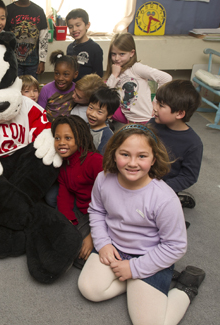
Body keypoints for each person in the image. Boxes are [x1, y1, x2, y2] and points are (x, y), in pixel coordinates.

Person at [78, 124, 205, 325]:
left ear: (154, 158)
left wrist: (135, 268)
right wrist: (103, 243)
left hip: (150, 255)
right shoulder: (103, 179)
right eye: (125, 154)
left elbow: (175, 246)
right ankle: (133, 283)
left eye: (142, 156)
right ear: (113, 155)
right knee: (89, 290)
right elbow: (97, 211)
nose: (133, 163)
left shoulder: (164, 198)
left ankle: (185, 288)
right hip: (115, 247)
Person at [52, 115, 103, 269]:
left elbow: (110, 203)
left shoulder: (95, 161)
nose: (61, 142)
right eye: (57, 138)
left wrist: (93, 236)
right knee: (60, 237)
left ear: (80, 139)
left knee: (84, 255)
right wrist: (68, 222)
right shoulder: (63, 164)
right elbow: (64, 196)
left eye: (68, 138)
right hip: (82, 213)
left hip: (102, 216)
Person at [149, 79, 203, 209]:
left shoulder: (193, 143)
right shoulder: (152, 124)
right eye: (156, 102)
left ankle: (176, 200)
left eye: (161, 105)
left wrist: (161, 188)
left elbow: (189, 176)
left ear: (179, 113)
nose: (154, 107)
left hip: (163, 186)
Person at [104, 33, 172, 123]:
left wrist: (156, 103)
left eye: (121, 54)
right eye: (113, 54)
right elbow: (105, 95)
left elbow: (166, 78)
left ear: (132, 53)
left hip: (145, 118)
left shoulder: (136, 68)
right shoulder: (116, 70)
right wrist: (114, 75)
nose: (116, 58)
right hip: (129, 118)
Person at [5, 0, 48, 78]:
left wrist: (42, 61)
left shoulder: (38, 11)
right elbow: (3, 36)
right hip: (13, 61)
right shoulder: (8, 10)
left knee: (31, 89)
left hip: (33, 62)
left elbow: (43, 37)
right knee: (15, 89)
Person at [37, 50, 78, 122]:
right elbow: (39, 114)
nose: (60, 78)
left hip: (69, 127)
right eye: (57, 73)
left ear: (75, 74)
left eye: (66, 74)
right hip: (48, 128)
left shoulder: (76, 90)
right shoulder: (46, 89)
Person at [66, 8, 104, 81]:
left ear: (87, 25)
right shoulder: (70, 47)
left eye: (78, 25)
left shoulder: (95, 49)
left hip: (87, 90)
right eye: (70, 27)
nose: (74, 29)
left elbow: (98, 76)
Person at [86, 86, 121, 155]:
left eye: (99, 112)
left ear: (109, 115)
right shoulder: (85, 126)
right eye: (91, 108)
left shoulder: (107, 136)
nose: (92, 114)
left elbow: (100, 159)